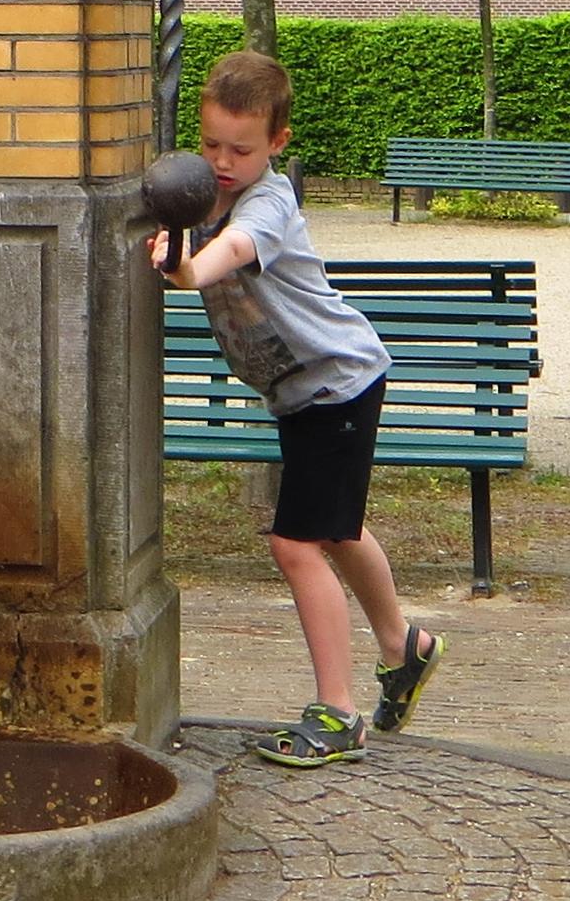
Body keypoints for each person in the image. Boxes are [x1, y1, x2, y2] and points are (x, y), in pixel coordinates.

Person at [152, 48, 442, 768]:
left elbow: (226, 256)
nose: (223, 161)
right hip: (309, 391)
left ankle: (338, 712)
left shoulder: (268, 203)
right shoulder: (206, 192)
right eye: (212, 144)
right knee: (337, 530)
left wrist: (183, 267)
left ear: (277, 144)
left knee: (296, 543)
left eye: (241, 149)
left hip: (336, 382)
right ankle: (403, 643)